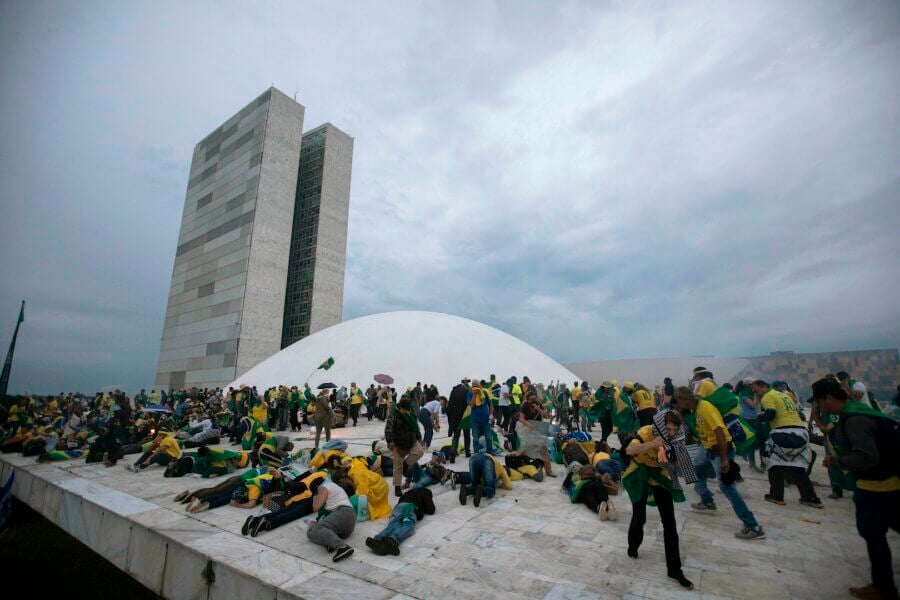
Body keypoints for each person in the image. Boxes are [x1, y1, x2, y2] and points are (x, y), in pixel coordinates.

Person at [813, 377, 899, 600]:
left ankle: (883, 587)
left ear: (829, 398)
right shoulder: (860, 410)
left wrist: (837, 462)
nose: (821, 407)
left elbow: (867, 457)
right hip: (888, 481)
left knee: (873, 535)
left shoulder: (854, 420)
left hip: (877, 486)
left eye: (821, 402)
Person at [675, 387, 765, 540]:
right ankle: (707, 500)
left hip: (720, 450)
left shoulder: (705, 408)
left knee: (726, 487)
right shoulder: (695, 409)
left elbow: (720, 433)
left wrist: (724, 460)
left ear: (684, 400)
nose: (677, 406)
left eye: (678, 402)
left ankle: (752, 525)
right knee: (697, 468)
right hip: (707, 447)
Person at [623, 410, 694, 590]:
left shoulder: (675, 438)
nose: (670, 433)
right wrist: (653, 444)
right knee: (640, 516)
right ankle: (633, 546)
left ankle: (674, 569)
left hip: (659, 475)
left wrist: (679, 454)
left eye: (674, 430)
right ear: (661, 425)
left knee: (669, 523)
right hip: (639, 473)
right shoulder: (647, 432)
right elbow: (629, 450)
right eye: (668, 429)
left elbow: (677, 464)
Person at [751, 380, 822, 508]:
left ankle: (776, 496)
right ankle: (810, 498)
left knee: (774, 466)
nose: (755, 394)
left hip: (782, 432)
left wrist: (759, 416)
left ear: (764, 387)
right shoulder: (785, 395)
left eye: (756, 391)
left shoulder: (768, 397)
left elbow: (771, 414)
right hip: (800, 432)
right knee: (798, 468)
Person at [365, 487, 436, 556]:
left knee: (393, 525)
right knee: (408, 525)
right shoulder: (426, 491)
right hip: (409, 507)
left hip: (397, 508)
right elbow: (431, 510)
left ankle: (378, 539)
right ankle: (392, 540)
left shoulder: (408, 493)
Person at [305, 471, 356, 562]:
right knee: (310, 533)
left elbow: (315, 507)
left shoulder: (325, 487)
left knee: (316, 529)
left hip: (343, 513)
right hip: (347, 524)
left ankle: (342, 547)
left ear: (317, 488)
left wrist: (314, 498)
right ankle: (330, 543)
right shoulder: (334, 488)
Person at [386, 398, 425, 496]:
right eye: (407, 408)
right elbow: (388, 428)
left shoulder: (411, 413)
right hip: (398, 442)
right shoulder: (394, 414)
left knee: (420, 451)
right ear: (402, 406)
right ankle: (397, 487)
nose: (408, 409)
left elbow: (416, 427)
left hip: (411, 440)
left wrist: (419, 438)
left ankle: (406, 465)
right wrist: (389, 440)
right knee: (397, 465)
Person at [514, 393, 556, 478]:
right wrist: (527, 423)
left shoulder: (538, 403)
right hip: (526, 430)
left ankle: (549, 471)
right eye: (531, 399)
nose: (533, 401)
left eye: (534, 398)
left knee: (544, 449)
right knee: (525, 449)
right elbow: (521, 418)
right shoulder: (525, 405)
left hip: (538, 429)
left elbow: (545, 414)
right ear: (528, 399)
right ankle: (520, 467)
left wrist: (538, 409)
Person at [469, 379, 494, 454]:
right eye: (474, 386)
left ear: (480, 386)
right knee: (475, 438)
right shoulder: (469, 394)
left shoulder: (485, 393)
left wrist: (491, 415)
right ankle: (476, 453)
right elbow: (471, 405)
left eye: (477, 386)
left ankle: (489, 453)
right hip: (475, 420)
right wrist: (474, 394)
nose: (475, 388)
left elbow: (491, 405)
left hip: (486, 419)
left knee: (488, 438)